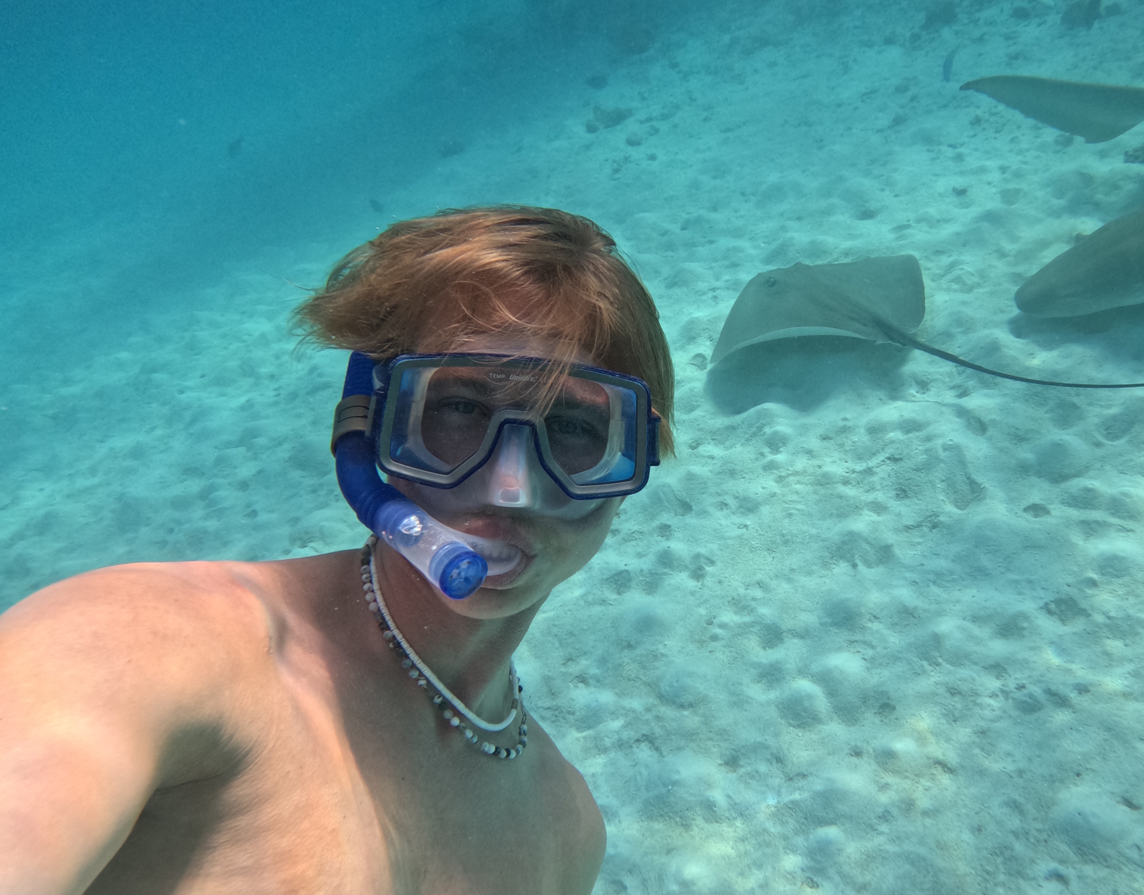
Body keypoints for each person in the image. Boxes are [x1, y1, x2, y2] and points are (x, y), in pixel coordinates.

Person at [0, 206, 675, 894]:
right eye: (460, 409)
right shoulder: (136, 644)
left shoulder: (566, 832)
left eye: (573, 427)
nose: (509, 487)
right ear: (368, 427)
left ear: (637, 456)